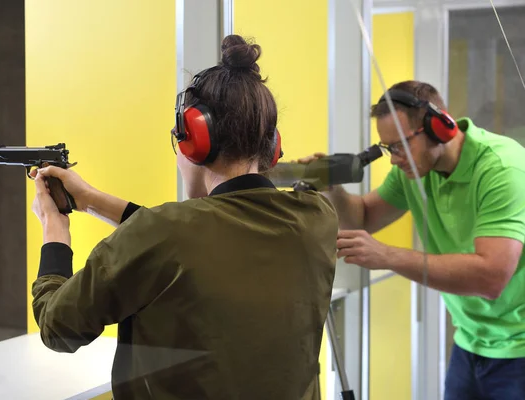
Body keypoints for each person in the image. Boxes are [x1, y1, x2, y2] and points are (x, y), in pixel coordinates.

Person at [29, 35, 339, 400]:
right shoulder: (317, 218)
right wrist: (93, 201)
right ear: (272, 147)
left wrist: (55, 226)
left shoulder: (164, 234)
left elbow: (58, 328)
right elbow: (193, 241)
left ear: (194, 142)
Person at [298, 80, 525, 399]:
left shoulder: (502, 170)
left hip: (518, 348)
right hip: (470, 342)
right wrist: (332, 188)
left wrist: (387, 256)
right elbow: (362, 218)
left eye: (399, 146)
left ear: (440, 127)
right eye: (388, 148)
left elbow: (491, 277)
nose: (393, 159)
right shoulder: (415, 170)